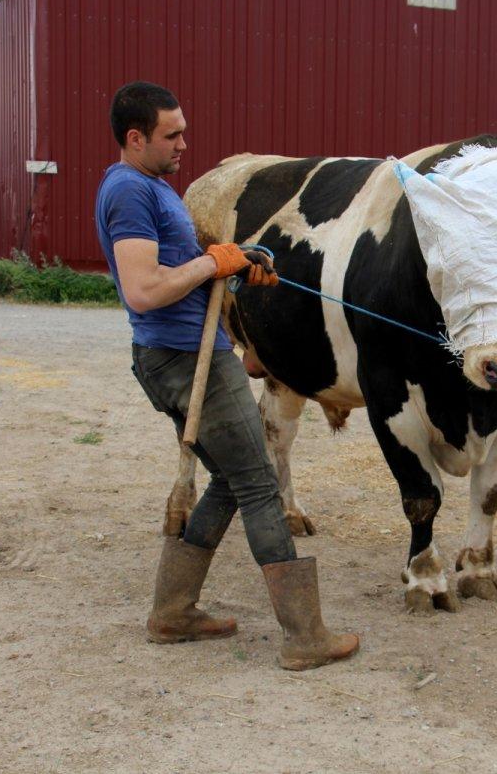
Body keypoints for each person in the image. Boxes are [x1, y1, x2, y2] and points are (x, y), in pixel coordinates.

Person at [95, 80, 359, 669]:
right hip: (186, 360)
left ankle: (173, 611)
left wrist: (234, 266)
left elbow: (178, 271)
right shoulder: (130, 192)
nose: (184, 144)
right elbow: (144, 291)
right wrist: (213, 261)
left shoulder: (149, 187)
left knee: (232, 480)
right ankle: (305, 636)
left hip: (189, 351)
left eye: (183, 131)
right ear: (135, 138)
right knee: (260, 482)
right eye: (171, 134)